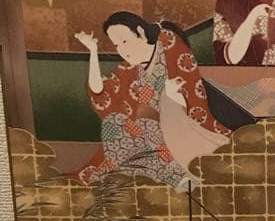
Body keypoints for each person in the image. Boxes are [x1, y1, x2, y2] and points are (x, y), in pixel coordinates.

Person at [73, 13, 229, 189]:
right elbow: (100, 93)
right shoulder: (131, 66)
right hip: (145, 135)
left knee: (146, 128)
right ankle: (146, 174)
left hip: (180, 127)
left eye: (124, 41)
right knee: (113, 122)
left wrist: (169, 98)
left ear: (140, 32)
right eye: (116, 45)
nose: (122, 50)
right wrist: (93, 51)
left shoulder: (169, 44)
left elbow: (190, 94)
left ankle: (173, 175)